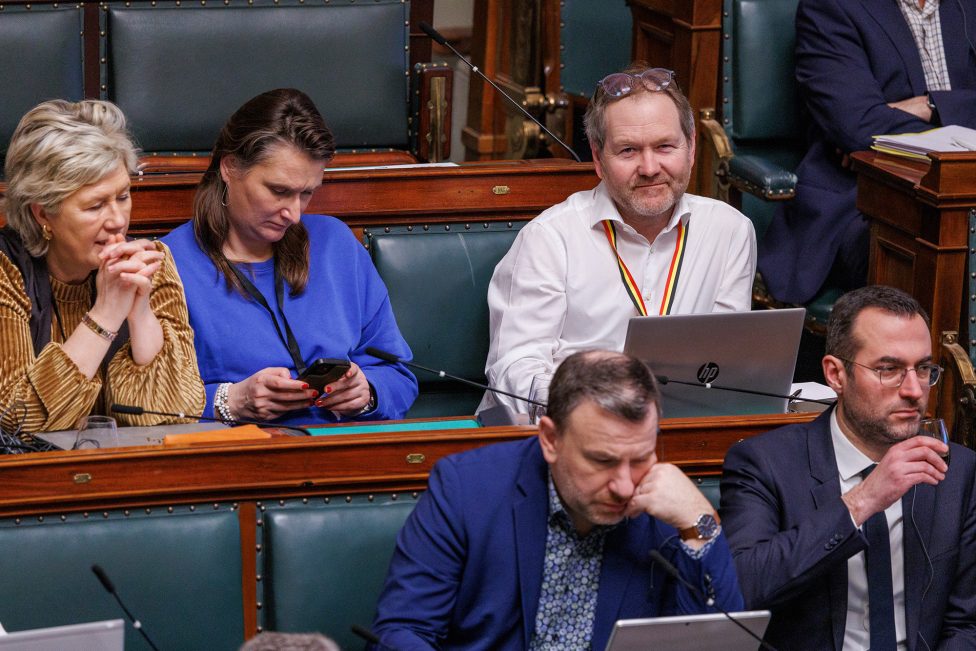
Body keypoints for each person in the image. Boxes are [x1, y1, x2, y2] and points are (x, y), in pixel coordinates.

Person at [372, 350, 744, 650]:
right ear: (550, 439)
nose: (625, 486)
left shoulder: (666, 506)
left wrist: (701, 526)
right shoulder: (467, 489)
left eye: (641, 458)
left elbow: (717, 642)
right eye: (602, 460)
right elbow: (403, 631)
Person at [481, 64, 756, 414]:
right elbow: (514, 370)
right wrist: (600, 410)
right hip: (570, 431)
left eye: (665, 146)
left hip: (684, 425)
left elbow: (729, 359)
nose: (650, 167)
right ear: (598, 158)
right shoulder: (549, 239)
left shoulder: (730, 230)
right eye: (628, 151)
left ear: (691, 149)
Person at [721, 285, 976, 649]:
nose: (914, 390)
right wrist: (862, 501)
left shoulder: (959, 472)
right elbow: (741, 589)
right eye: (888, 369)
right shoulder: (765, 464)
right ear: (835, 374)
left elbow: (967, 624)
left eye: (922, 369)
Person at [163, 89, 417, 426]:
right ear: (230, 168)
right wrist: (229, 401)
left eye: (307, 193)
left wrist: (368, 392)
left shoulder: (336, 244)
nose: (294, 214)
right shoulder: (168, 263)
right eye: (279, 191)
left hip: (343, 456)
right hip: (231, 460)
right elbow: (138, 402)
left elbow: (399, 374)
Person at [0, 99, 204, 434]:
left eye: (123, 197)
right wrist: (106, 315)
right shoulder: (6, 271)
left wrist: (140, 314)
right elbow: (16, 420)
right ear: (43, 214)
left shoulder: (150, 261)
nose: (117, 221)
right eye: (95, 206)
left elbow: (176, 414)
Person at [759, 0, 976, 304]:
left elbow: (872, 126)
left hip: (966, 194)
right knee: (927, 252)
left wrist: (931, 105)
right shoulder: (831, 7)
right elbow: (858, 125)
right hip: (864, 202)